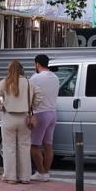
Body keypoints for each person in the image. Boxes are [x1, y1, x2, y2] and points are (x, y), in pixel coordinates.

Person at [0, 60, 41, 184]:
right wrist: (32, 106)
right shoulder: (29, 83)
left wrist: (0, 106)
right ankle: (25, 177)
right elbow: (39, 95)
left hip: (9, 117)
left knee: (9, 147)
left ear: (9, 70)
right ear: (21, 70)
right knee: (24, 147)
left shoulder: (4, 83)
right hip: (25, 117)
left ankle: (11, 177)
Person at [29, 54, 59, 182]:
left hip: (40, 113)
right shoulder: (55, 77)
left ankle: (40, 172)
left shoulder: (36, 77)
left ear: (37, 64)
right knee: (48, 146)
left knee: (34, 145)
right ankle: (46, 172)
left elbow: (28, 92)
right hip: (52, 113)